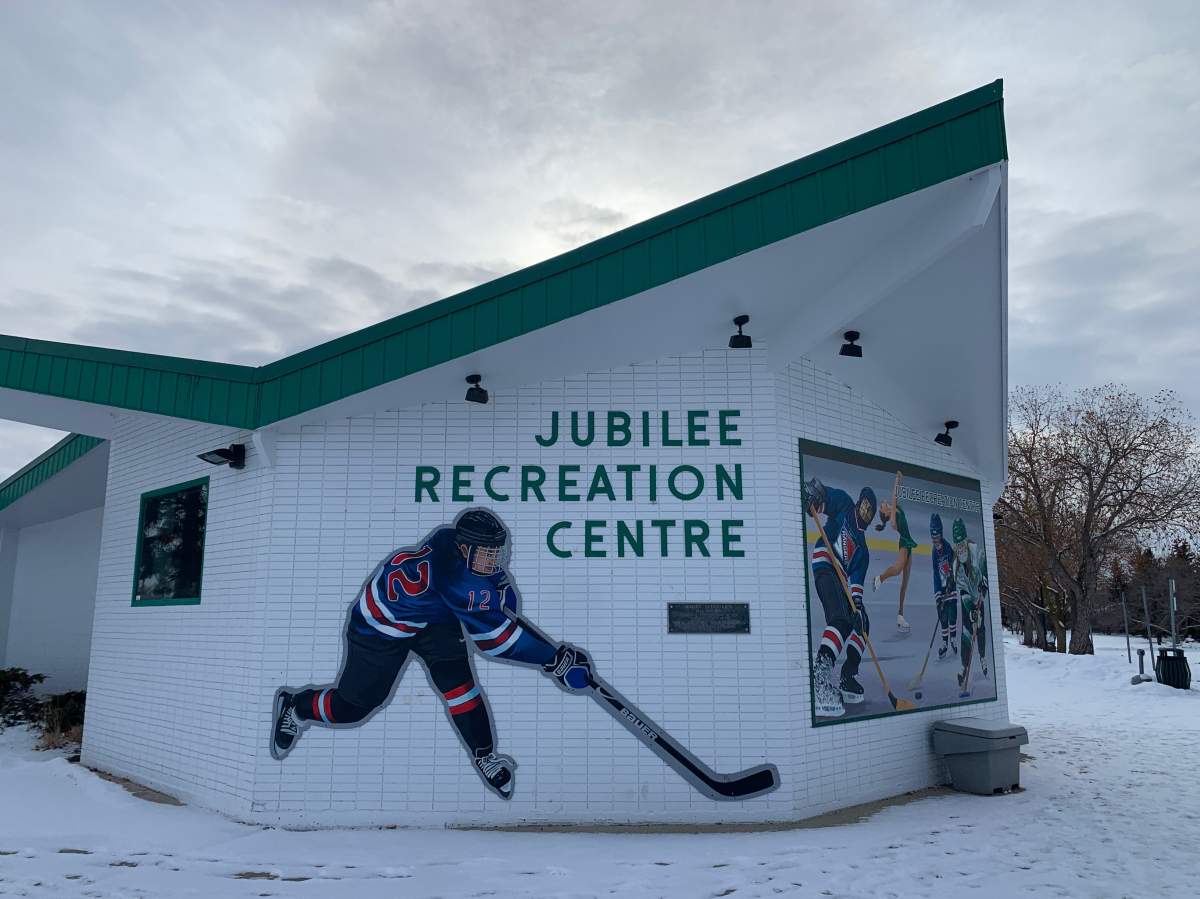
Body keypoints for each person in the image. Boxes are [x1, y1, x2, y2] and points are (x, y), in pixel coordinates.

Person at [270, 508, 594, 799]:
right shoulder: (458, 582)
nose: (493, 561)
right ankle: (297, 707)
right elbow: (497, 641)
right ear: (464, 548)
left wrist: (498, 589)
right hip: (381, 624)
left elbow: (485, 578)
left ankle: (484, 755)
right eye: (486, 554)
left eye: (496, 554)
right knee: (353, 707)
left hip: (433, 618)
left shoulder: (449, 538)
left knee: (460, 688)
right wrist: (554, 659)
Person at [805, 478, 877, 717]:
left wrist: (857, 606)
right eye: (865, 507)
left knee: (861, 622)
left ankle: (848, 676)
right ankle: (820, 678)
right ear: (859, 503)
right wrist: (814, 498)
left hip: (842, 579)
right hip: (825, 564)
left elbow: (856, 585)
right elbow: (823, 496)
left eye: (870, 512)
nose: (865, 513)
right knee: (839, 621)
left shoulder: (863, 552)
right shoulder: (845, 504)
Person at [872, 473, 917, 633]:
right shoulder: (891, 519)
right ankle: (880, 578)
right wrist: (897, 481)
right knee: (898, 570)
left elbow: (895, 499)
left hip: (909, 544)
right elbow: (894, 496)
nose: (882, 503)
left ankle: (900, 615)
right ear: (885, 513)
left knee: (905, 582)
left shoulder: (895, 509)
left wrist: (900, 482)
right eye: (882, 507)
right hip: (904, 543)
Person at [950, 518, 989, 695]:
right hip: (968, 598)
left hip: (978, 593)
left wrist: (985, 583)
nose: (960, 548)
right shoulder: (955, 564)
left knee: (980, 626)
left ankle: (982, 656)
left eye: (962, 544)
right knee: (966, 632)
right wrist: (970, 610)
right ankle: (964, 666)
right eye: (957, 545)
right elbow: (963, 592)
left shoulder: (976, 551)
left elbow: (984, 567)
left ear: (966, 540)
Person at [929, 513, 959, 659]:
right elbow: (935, 573)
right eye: (933, 537)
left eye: (937, 536)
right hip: (941, 588)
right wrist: (938, 594)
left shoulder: (947, 547)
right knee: (943, 616)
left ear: (941, 534)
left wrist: (950, 582)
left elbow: (953, 567)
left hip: (950, 587)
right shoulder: (934, 552)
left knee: (952, 613)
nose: (935, 540)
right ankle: (944, 643)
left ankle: (953, 639)